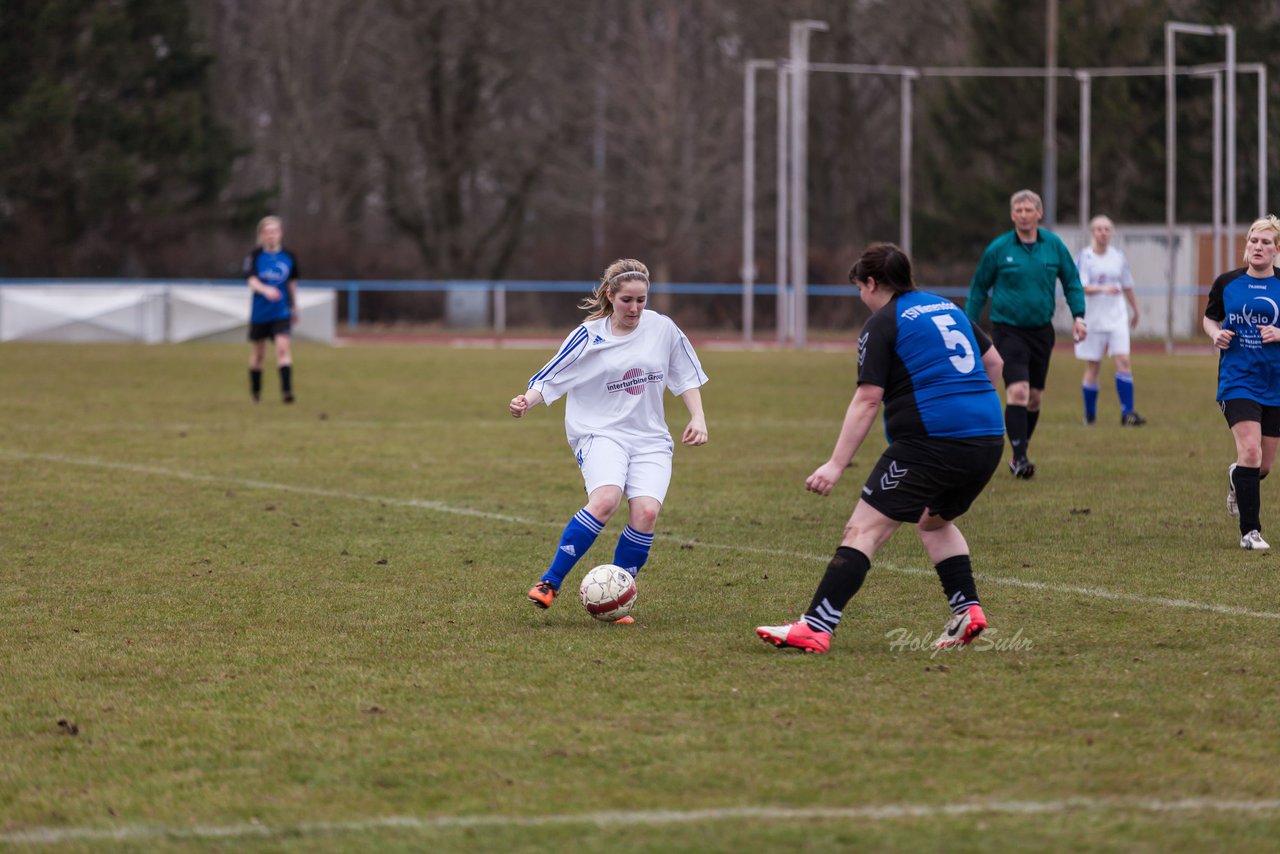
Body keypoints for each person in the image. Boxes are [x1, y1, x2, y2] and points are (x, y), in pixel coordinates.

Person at [756, 243, 1004, 655]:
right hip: (987, 438)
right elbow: (993, 362)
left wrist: (836, 464)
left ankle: (815, 626)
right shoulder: (947, 307)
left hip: (929, 444)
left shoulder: (883, 323)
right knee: (934, 522)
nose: (860, 297)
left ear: (872, 283)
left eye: (860, 288)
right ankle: (967, 611)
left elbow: (869, 398)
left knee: (863, 530)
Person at [510, 259, 709, 621]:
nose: (635, 308)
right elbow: (551, 377)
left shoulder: (662, 329)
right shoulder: (588, 335)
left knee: (646, 512)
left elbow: (686, 374)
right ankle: (550, 582)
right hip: (598, 432)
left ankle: (617, 598)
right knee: (605, 500)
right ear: (610, 296)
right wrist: (528, 400)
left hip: (649, 437)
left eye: (641, 300)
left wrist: (698, 417)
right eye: (627, 300)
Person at [966, 189, 1087, 479]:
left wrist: (1079, 316)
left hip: (1042, 332)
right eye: (1018, 210)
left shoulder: (1053, 246)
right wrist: (968, 327)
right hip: (1008, 330)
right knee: (1017, 391)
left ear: (1039, 213)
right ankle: (1020, 459)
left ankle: (1020, 447)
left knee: (1034, 398)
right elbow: (979, 288)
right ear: (1012, 215)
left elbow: (1071, 281)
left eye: (1028, 210)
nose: (1023, 215)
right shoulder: (999, 248)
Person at [1202, 214, 1280, 551]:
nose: (1258, 247)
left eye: (1266, 242)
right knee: (1249, 449)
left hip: (1274, 382)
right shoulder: (1227, 283)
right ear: (1246, 246)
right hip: (1237, 380)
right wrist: (1216, 334)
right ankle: (1250, 533)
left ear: (1277, 250)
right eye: (1253, 241)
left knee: (1262, 465)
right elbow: (1209, 317)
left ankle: (1238, 477)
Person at [1075, 215, 1146, 426]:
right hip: (1093, 320)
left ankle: (1128, 413)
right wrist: (1103, 288)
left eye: (1107, 229)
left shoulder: (1118, 256)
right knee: (1094, 366)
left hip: (1117, 318)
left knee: (1124, 361)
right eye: (1099, 229)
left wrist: (1135, 309)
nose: (1103, 233)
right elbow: (1081, 286)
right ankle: (1090, 416)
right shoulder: (1085, 257)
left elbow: (1127, 284)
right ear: (1092, 232)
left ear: (1111, 232)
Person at [243, 215, 299, 403]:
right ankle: (256, 393)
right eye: (267, 232)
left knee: (283, 349)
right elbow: (251, 281)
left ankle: (287, 392)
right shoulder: (255, 256)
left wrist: (295, 307)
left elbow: (292, 284)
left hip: (281, 311)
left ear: (280, 233)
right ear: (261, 235)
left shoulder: (289, 257)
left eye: (274, 231)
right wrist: (266, 289)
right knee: (258, 354)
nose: (271, 235)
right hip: (260, 312)